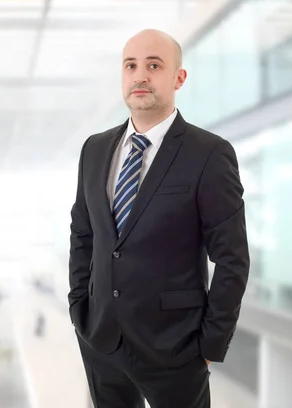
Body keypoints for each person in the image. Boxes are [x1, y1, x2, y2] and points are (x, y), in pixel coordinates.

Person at [68, 29, 250, 408]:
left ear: (178, 78)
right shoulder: (95, 149)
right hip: (101, 341)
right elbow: (83, 234)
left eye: (154, 65)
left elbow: (232, 259)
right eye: (130, 66)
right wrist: (78, 309)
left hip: (175, 348)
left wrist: (210, 344)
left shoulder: (210, 154)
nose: (140, 76)